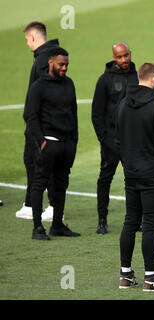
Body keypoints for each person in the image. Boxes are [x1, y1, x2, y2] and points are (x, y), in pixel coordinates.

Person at [117, 62, 154, 292]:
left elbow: (117, 140)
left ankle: (125, 275)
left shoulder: (122, 105)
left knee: (130, 222)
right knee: (150, 225)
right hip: (153, 176)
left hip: (131, 175)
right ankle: (150, 278)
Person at [26, 47, 80, 240]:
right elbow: (30, 117)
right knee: (40, 183)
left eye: (66, 64)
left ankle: (57, 225)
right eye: (61, 64)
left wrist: (74, 141)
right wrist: (42, 142)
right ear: (50, 63)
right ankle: (37, 228)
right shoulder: (39, 86)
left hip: (66, 145)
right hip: (48, 143)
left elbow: (73, 113)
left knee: (61, 184)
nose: (64, 68)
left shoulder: (69, 84)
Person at [92, 42, 138, 234]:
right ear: (114, 58)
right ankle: (102, 220)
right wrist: (105, 139)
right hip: (112, 141)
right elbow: (97, 113)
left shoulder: (137, 76)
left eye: (126, 55)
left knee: (135, 180)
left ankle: (136, 220)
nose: (124, 60)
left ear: (130, 54)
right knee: (105, 179)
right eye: (119, 57)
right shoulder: (104, 80)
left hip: (133, 141)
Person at [17, 21, 59, 222]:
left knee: (42, 162)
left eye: (27, 40)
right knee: (32, 160)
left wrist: (35, 121)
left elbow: (45, 92)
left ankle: (52, 206)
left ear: (33, 37)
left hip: (41, 123)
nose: (26, 44)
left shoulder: (43, 59)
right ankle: (31, 203)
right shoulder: (46, 57)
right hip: (40, 122)